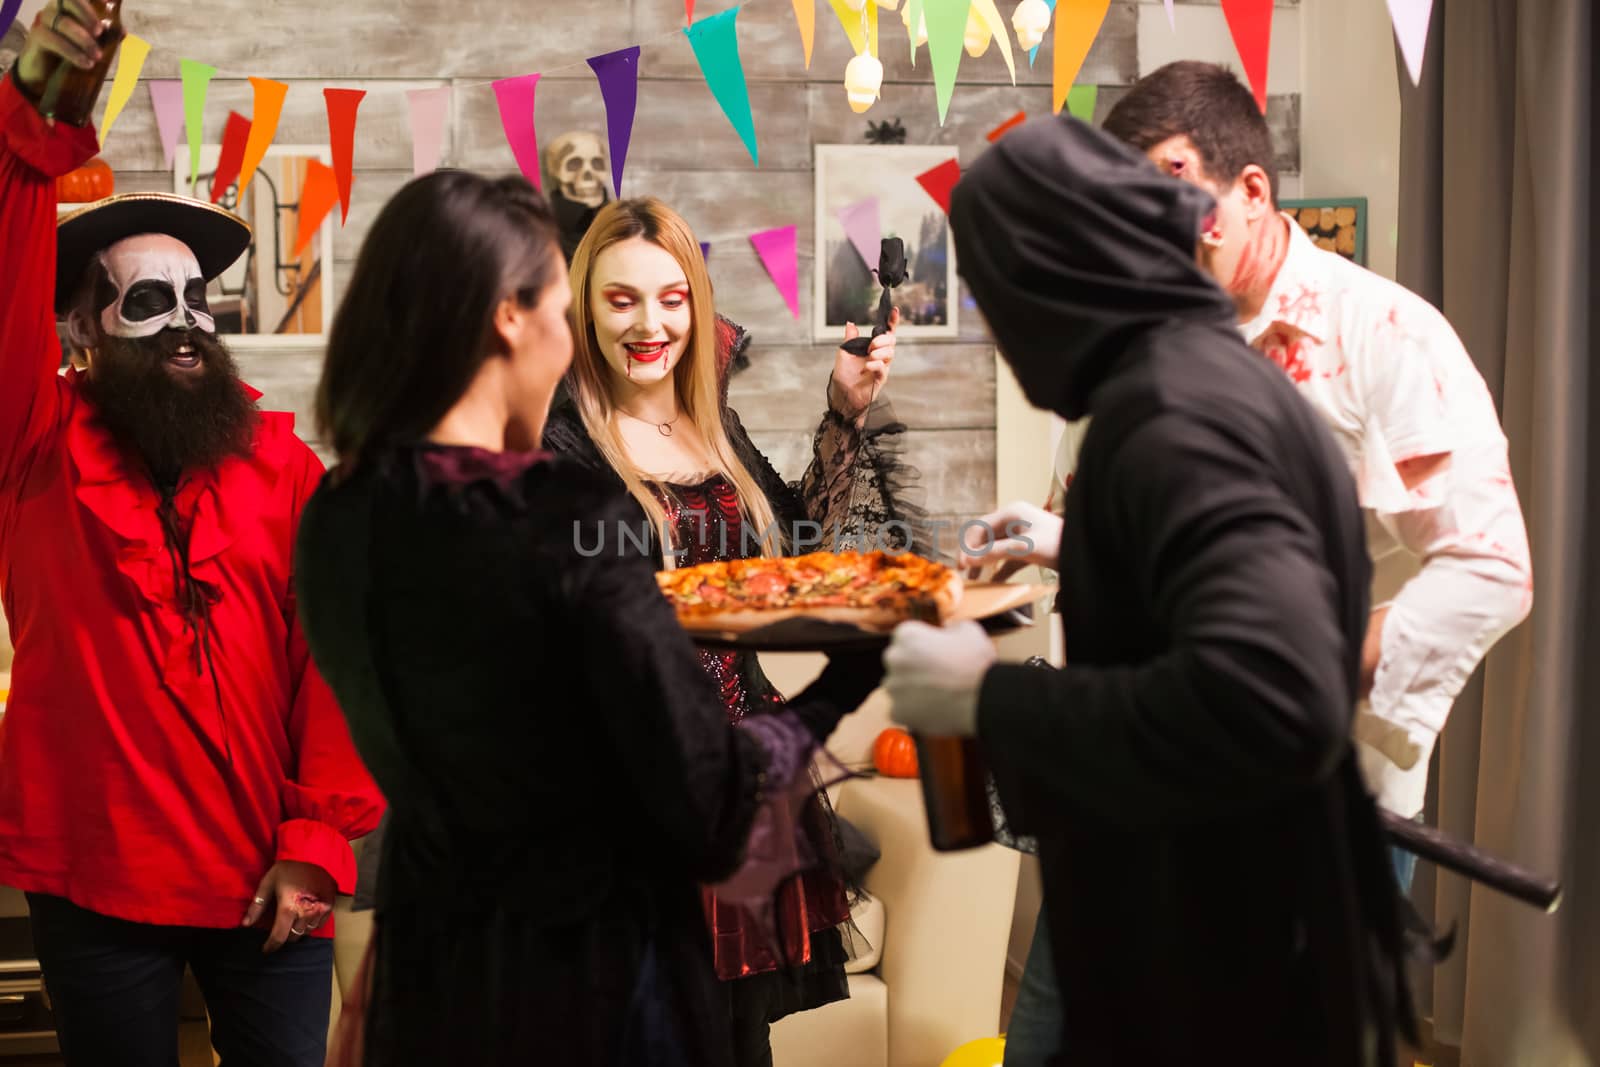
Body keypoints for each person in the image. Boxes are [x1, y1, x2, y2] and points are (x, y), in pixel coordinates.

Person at [295, 169, 884, 1067]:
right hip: (599, 941)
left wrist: (843, 415)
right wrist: (855, 674)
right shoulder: (557, 503)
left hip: (434, 929)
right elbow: (702, 794)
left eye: (671, 298)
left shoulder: (336, 514)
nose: (584, 331)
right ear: (511, 318)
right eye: (576, 302)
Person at [883, 116, 1414, 1064]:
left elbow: (1273, 693)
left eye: (997, 299)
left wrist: (989, 694)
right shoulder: (1210, 381)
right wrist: (1074, 546)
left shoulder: (1173, 415)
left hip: (1219, 974)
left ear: (1055, 282)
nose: (1002, 338)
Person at [0, 7, 384, 1065]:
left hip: (271, 877)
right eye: (148, 301)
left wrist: (313, 844)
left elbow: (339, 660)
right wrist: (35, 107)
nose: (183, 322)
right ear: (82, 328)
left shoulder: (286, 468)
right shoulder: (34, 444)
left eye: (198, 299)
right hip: (96, 877)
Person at [542, 197, 918, 1066]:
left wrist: (845, 408)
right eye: (622, 299)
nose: (651, 323)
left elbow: (796, 551)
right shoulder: (563, 441)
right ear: (586, 309)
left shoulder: (709, 423)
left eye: (673, 298)